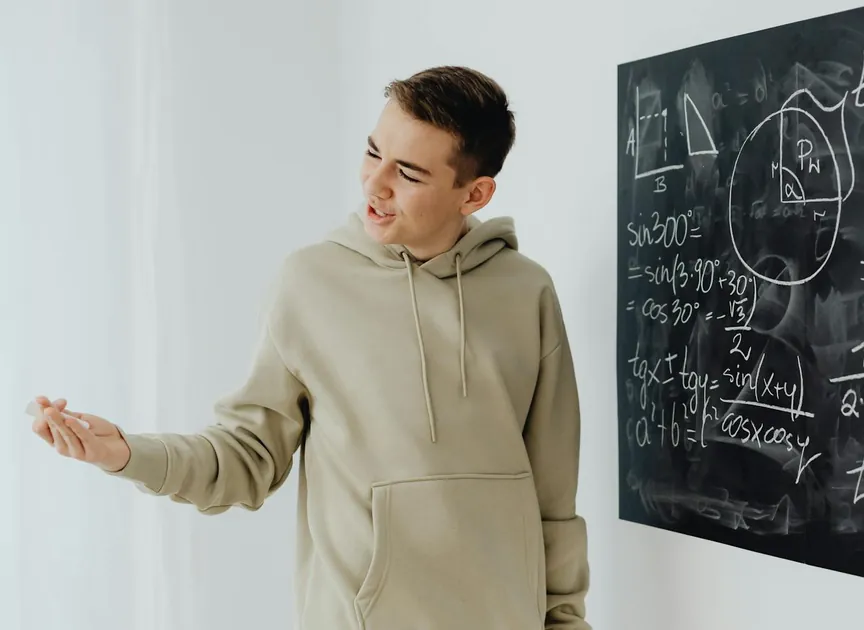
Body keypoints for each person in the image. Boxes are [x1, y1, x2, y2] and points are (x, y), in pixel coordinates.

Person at [28, 65, 590, 630]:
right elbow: (247, 458)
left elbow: (553, 498)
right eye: (373, 154)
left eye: (410, 174)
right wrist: (127, 453)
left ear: (475, 193)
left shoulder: (527, 292)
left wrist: (566, 622)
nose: (375, 184)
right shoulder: (311, 284)